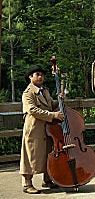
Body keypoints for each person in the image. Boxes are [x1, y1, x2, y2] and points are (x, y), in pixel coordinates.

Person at [20, 65, 64, 194]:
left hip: (47, 128)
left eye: (42, 75)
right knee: (31, 155)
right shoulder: (28, 93)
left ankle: (47, 180)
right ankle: (27, 184)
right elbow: (32, 110)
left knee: (47, 153)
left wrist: (59, 100)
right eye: (37, 74)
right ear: (30, 77)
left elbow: (50, 104)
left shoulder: (44, 90)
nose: (40, 77)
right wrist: (53, 115)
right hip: (34, 129)